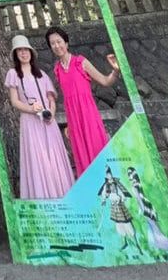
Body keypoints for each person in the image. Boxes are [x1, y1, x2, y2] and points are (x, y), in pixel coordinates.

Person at [5, 33, 74, 200]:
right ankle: (42, 197)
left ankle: (63, 194)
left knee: (54, 156)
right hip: (30, 122)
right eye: (19, 50)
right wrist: (32, 109)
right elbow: (15, 101)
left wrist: (49, 111)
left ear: (31, 52)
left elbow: (51, 98)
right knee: (37, 158)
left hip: (48, 122)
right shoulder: (13, 73)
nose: (23, 53)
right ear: (15, 54)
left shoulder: (41, 74)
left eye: (26, 50)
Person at [46, 25, 120, 176]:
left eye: (59, 41)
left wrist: (115, 71)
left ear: (66, 43)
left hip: (88, 113)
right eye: (52, 43)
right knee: (81, 154)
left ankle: (110, 186)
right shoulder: (57, 69)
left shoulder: (81, 62)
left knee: (96, 148)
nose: (56, 45)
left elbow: (105, 81)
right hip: (73, 119)